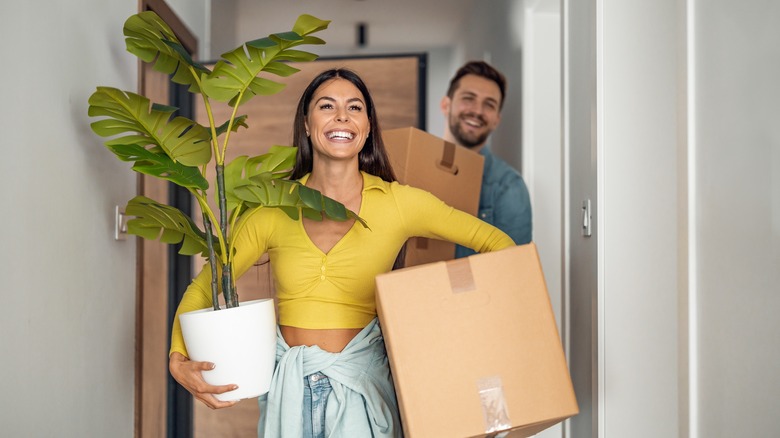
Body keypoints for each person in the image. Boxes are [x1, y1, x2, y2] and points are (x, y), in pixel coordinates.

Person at [168, 68, 515, 437]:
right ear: (306, 123)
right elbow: (205, 285)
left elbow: (499, 245)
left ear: (367, 128)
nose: (342, 116)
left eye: (355, 107)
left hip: (364, 395)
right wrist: (178, 359)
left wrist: (463, 326)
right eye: (326, 106)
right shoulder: (272, 209)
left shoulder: (399, 203)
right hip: (290, 395)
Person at [440, 60, 533, 258]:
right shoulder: (412, 168)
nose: (478, 111)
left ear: (497, 119)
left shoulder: (508, 186)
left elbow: (513, 268)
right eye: (469, 98)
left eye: (489, 105)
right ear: (445, 105)